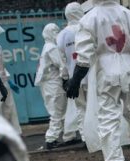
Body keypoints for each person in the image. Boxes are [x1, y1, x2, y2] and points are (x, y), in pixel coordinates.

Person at [68, 0, 130, 161]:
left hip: (105, 70)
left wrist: (75, 81)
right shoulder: (129, 14)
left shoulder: (89, 18)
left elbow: (84, 55)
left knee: (108, 117)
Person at [36, 23, 69, 150]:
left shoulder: (46, 46)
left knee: (56, 111)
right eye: (55, 31)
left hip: (48, 83)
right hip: (53, 83)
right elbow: (61, 64)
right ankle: (51, 138)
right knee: (57, 111)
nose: (57, 33)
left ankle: (56, 137)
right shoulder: (52, 48)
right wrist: (66, 79)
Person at [58, 2, 87, 144]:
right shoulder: (87, 26)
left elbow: (62, 59)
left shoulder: (62, 34)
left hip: (74, 77)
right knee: (98, 106)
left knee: (81, 108)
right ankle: (100, 136)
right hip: (91, 74)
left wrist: (65, 78)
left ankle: (86, 137)